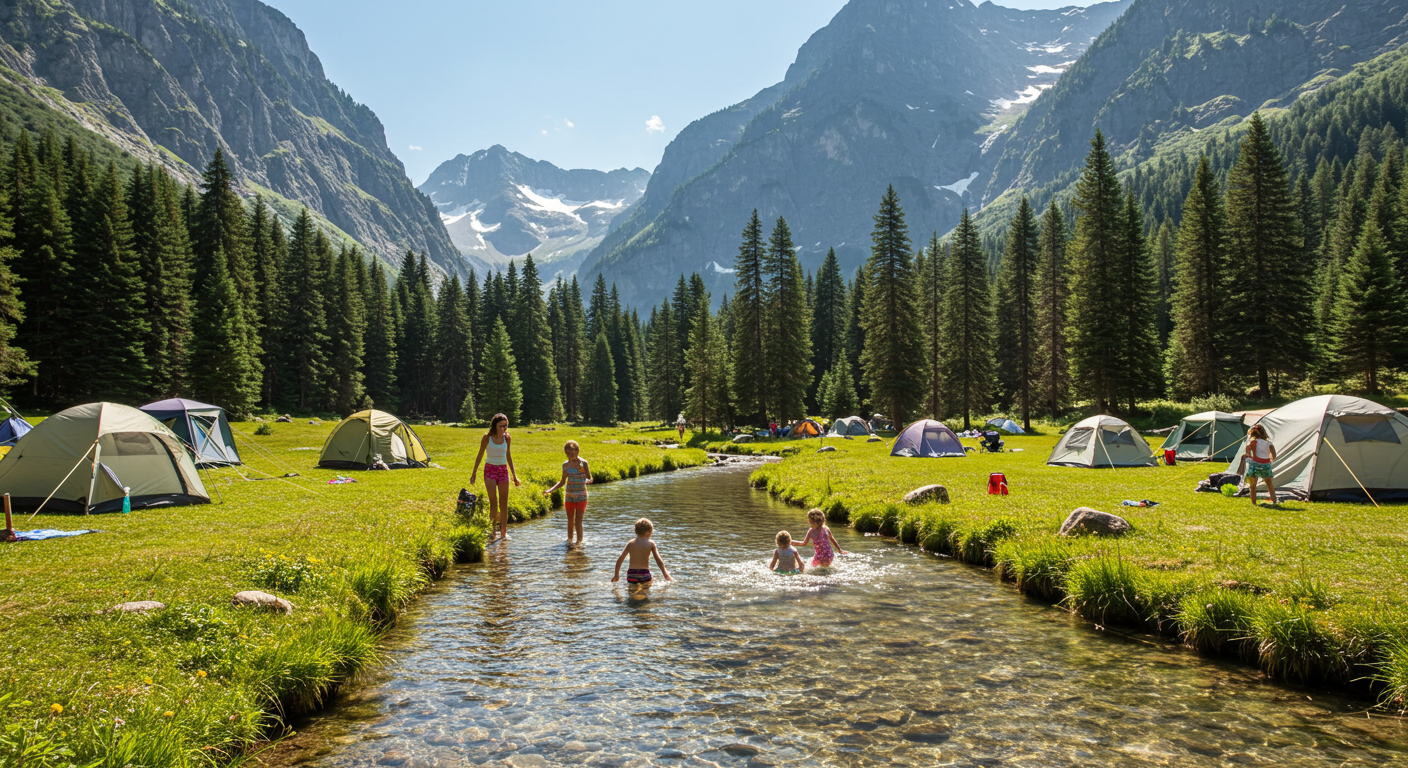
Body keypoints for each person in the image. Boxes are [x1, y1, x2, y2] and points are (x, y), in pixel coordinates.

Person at [470, 413, 520, 543]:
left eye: (505, 426)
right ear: (495, 425)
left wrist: (514, 475)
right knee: (494, 503)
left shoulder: (507, 438)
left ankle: (503, 534)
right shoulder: (487, 438)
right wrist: (474, 473)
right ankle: (493, 533)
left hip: (503, 470)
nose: (503, 428)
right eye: (501, 426)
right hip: (490, 470)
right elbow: (480, 455)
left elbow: (508, 456)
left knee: (504, 504)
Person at [543, 440, 592, 545]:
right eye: (569, 453)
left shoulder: (583, 464)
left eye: (573, 452)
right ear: (566, 453)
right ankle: (569, 541)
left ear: (578, 451)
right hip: (569, 497)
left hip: (582, 497)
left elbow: (589, 478)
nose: (572, 455)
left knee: (578, 521)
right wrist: (550, 490)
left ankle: (578, 543)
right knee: (570, 521)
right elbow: (562, 482)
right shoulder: (565, 465)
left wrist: (587, 481)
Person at [612, 518, 673, 585]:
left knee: (632, 592)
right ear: (649, 531)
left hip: (632, 574)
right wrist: (665, 574)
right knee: (645, 592)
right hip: (644, 573)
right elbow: (658, 560)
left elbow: (620, 560)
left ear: (635, 531)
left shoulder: (631, 543)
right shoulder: (651, 544)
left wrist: (616, 575)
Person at [1239, 423, 1278, 506]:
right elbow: (1274, 457)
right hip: (1266, 465)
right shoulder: (1269, 444)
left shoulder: (1251, 443)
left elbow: (1249, 454)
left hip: (1254, 465)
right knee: (1270, 485)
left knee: (1252, 486)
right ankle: (1274, 501)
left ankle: (1254, 503)